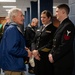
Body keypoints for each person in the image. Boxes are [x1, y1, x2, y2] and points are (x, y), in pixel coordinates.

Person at [0, 8, 31, 75]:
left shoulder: (13, 28)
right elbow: (12, 49)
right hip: (13, 67)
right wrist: (26, 53)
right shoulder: (12, 29)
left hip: (14, 65)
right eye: (21, 16)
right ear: (14, 18)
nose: (23, 18)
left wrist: (22, 48)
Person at [48, 4, 75, 75]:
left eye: (57, 11)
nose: (55, 13)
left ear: (63, 12)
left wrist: (53, 56)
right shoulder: (62, 25)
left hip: (64, 63)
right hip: (59, 62)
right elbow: (55, 42)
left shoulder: (68, 25)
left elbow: (65, 45)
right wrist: (51, 53)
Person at [32, 10, 57, 75]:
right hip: (36, 56)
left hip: (45, 57)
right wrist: (34, 51)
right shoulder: (39, 28)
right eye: (41, 17)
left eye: (44, 17)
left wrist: (38, 51)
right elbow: (34, 41)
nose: (42, 19)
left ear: (49, 18)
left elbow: (51, 44)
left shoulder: (54, 29)